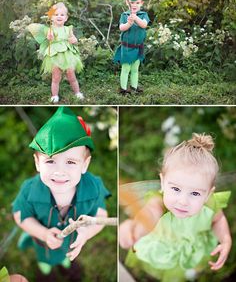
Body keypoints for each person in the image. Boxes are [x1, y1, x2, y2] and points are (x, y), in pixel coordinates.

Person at [119, 133, 232, 282]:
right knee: (165, 267)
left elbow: (218, 220)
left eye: (195, 193)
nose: (183, 201)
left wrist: (225, 239)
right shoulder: (159, 202)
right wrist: (135, 228)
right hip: (163, 247)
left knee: (189, 265)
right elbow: (151, 213)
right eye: (176, 189)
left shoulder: (210, 205)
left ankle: (190, 269)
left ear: (208, 194)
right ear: (163, 182)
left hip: (191, 248)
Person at [12, 107, 111, 275]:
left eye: (71, 162)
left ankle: (65, 262)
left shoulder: (93, 187)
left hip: (70, 243)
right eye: (50, 161)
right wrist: (43, 233)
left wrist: (86, 232)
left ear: (84, 165)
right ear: (37, 163)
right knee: (46, 261)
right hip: (44, 245)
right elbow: (20, 215)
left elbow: (101, 216)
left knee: (67, 257)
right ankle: (46, 269)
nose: (60, 171)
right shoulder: (30, 191)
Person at [27, 2, 84, 103]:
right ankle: (55, 95)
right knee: (56, 77)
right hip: (54, 55)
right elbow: (48, 38)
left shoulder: (68, 29)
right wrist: (49, 37)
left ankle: (77, 92)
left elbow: (74, 40)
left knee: (71, 74)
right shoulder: (49, 29)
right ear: (51, 18)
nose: (59, 16)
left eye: (62, 15)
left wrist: (74, 40)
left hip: (67, 54)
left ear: (66, 18)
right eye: (56, 14)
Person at [114, 0, 150, 95]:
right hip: (127, 47)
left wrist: (136, 18)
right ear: (127, 3)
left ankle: (134, 87)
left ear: (141, 3)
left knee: (135, 69)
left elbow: (144, 25)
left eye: (137, 2)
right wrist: (129, 23)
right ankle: (123, 89)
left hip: (138, 47)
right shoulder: (124, 15)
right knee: (126, 69)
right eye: (132, 2)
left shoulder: (143, 15)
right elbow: (121, 28)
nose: (134, 5)